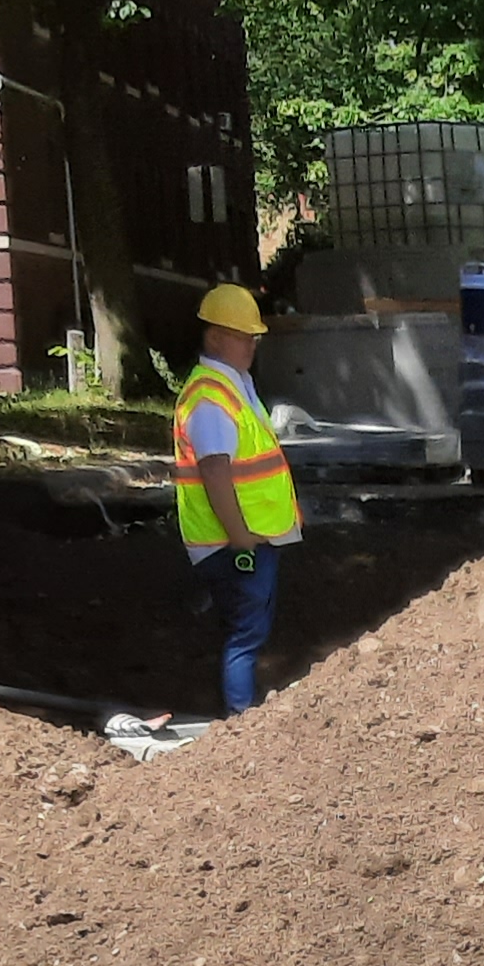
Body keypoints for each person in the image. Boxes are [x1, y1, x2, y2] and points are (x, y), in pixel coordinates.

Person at [172, 283, 301, 712]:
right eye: (245, 336)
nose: (253, 344)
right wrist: (241, 536)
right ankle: (241, 724)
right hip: (234, 543)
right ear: (215, 338)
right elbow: (215, 472)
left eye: (254, 337)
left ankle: (240, 725)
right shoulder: (211, 398)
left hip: (250, 537)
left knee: (248, 631)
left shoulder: (235, 385)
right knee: (246, 635)